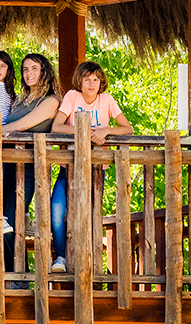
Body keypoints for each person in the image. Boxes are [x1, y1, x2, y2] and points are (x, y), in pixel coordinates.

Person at [46, 60, 133, 271]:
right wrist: (85, 132)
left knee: (91, 212)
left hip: (96, 168)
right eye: (87, 80)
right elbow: (56, 126)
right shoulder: (72, 97)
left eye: (96, 80)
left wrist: (106, 131)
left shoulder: (107, 100)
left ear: (101, 82)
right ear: (80, 82)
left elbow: (127, 128)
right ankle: (61, 257)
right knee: (57, 207)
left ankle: (90, 258)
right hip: (70, 166)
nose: (92, 84)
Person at [0, 53, 60, 281]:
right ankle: (7, 274)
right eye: (25, 69)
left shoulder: (51, 100)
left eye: (34, 68)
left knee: (14, 218)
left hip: (30, 166)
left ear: (45, 71)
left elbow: (23, 125)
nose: (29, 73)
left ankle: (18, 277)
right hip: (6, 162)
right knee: (0, 220)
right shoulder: (20, 99)